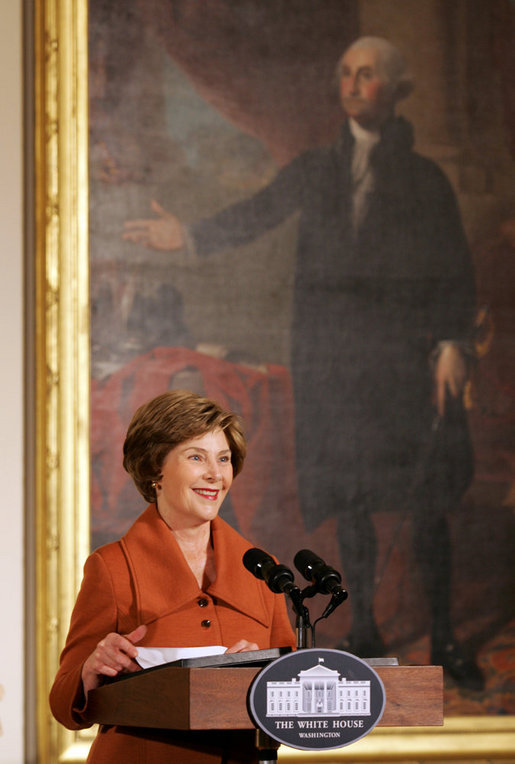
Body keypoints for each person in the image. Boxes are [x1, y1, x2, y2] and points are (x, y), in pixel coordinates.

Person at [123, 38, 482, 689]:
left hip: (402, 364)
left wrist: (453, 342)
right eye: (345, 72)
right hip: (334, 366)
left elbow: (454, 266)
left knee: (424, 504)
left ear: (395, 89)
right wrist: (190, 236)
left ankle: (446, 637)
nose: (352, 83)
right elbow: (259, 212)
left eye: (367, 74)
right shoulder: (317, 168)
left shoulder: (424, 179)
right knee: (351, 502)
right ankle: (367, 629)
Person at [50, 390, 296, 763]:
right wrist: (90, 668)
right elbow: (61, 703)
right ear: (155, 470)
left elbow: (294, 699)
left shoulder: (263, 570)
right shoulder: (112, 567)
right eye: (196, 457)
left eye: (224, 459)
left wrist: (264, 673)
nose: (216, 474)